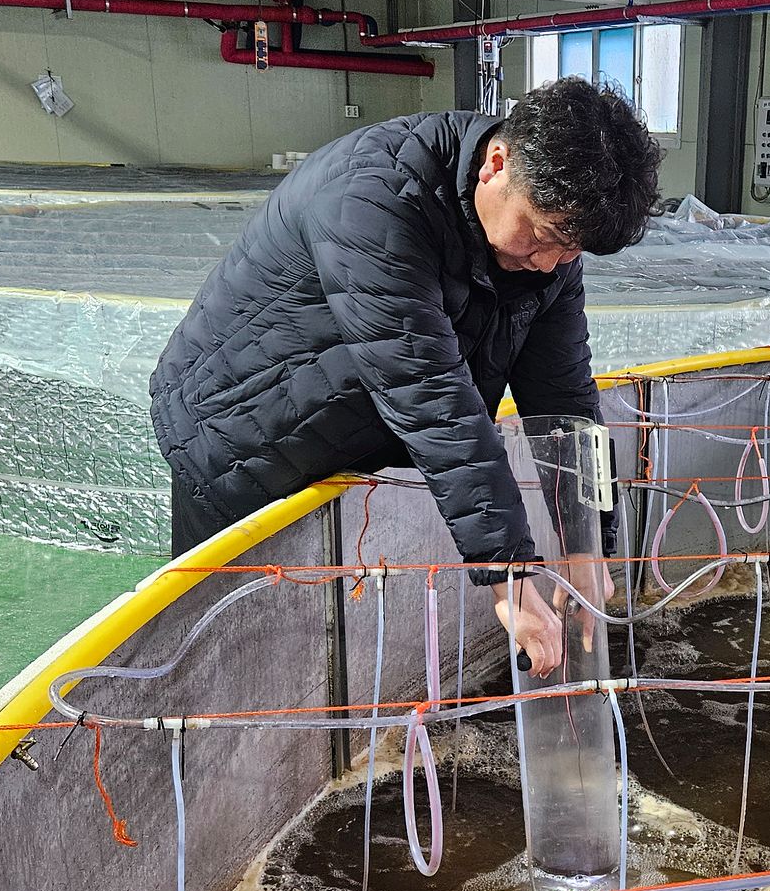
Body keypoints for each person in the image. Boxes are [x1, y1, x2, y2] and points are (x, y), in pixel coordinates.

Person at [149, 77, 660, 671]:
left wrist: (587, 546)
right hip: (238, 433)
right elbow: (433, 396)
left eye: (571, 253)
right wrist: (513, 578)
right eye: (544, 238)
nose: (549, 263)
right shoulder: (374, 199)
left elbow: (565, 397)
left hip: (343, 430)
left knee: (315, 638)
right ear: (497, 164)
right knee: (224, 641)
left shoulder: (543, 246)